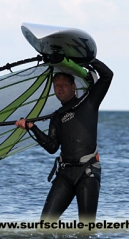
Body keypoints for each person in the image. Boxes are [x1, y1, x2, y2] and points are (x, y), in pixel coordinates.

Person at [15, 58, 113, 223]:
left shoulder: (89, 102)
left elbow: (107, 75)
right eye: (57, 86)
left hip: (87, 173)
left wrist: (88, 60)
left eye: (64, 84)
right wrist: (32, 128)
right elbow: (52, 147)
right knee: (44, 225)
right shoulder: (57, 116)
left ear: (73, 87)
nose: (60, 88)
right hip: (65, 174)